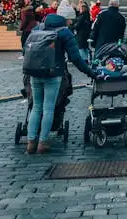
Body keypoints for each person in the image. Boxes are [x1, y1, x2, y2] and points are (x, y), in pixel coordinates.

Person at [23, 9, 97, 155]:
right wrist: (90, 73)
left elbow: (26, 50)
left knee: (36, 107)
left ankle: (31, 143)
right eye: (70, 20)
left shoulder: (37, 28)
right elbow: (76, 59)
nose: (71, 23)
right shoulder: (64, 33)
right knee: (48, 108)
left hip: (34, 73)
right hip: (53, 74)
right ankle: (42, 143)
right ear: (66, 19)